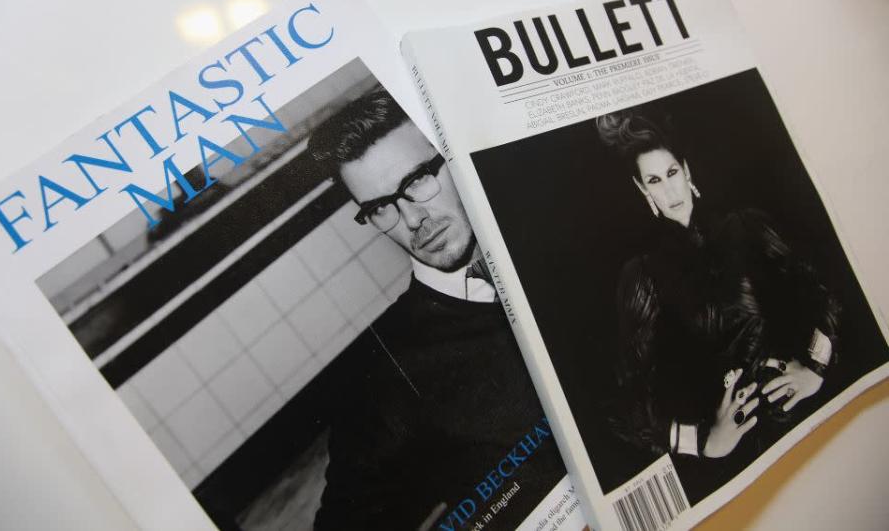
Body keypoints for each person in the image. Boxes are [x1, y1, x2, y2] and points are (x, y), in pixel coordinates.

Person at [306, 88, 565, 530]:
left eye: (417, 180)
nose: (411, 220)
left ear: (451, 157)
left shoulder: (557, 240)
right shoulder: (383, 382)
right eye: (380, 207)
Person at [596, 109, 839, 473]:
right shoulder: (643, 275)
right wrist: (706, 442)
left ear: (688, 171)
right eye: (654, 180)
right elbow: (627, 400)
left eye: (672, 173)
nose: (669, 189)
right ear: (643, 190)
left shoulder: (747, 226)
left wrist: (815, 368)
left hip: (809, 415)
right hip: (741, 460)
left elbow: (824, 295)